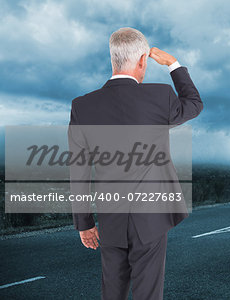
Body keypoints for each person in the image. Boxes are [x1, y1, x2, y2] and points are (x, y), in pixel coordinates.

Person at [68, 27, 203, 300]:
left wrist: (84, 222)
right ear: (142, 61)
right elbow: (194, 103)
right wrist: (173, 64)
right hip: (151, 217)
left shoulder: (82, 106)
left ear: (113, 59)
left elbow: (78, 168)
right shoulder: (160, 96)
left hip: (110, 218)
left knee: (112, 293)